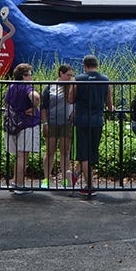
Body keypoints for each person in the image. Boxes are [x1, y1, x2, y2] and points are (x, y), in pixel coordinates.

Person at [67, 54, 113, 196]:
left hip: (81, 120)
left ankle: (89, 186)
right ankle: (75, 176)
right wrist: (110, 108)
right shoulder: (105, 80)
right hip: (97, 120)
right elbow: (110, 105)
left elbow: (70, 99)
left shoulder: (78, 80)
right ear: (97, 65)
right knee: (91, 153)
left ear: (85, 66)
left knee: (83, 154)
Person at [4, 63, 41, 195]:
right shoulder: (26, 87)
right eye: (30, 75)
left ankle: (15, 181)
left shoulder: (12, 87)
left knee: (18, 155)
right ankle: (20, 185)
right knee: (23, 155)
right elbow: (35, 96)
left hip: (14, 124)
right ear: (24, 76)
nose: (31, 77)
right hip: (27, 123)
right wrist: (35, 107)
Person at [40, 64, 75, 189]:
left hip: (66, 123)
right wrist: (45, 123)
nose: (70, 78)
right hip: (52, 122)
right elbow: (43, 106)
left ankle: (65, 179)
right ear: (61, 73)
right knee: (50, 151)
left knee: (65, 152)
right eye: (68, 75)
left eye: (71, 75)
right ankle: (46, 179)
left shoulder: (72, 87)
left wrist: (74, 114)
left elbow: (77, 102)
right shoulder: (50, 87)